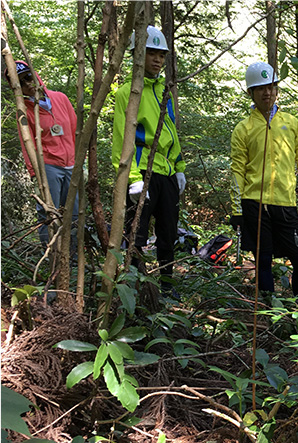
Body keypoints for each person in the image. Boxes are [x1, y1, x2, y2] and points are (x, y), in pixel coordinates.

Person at [112, 25, 186, 300]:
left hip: (166, 174)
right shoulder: (127, 93)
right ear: (137, 55)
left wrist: (179, 168)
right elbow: (122, 137)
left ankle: (167, 285)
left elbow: (171, 133)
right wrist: (131, 177)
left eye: (161, 55)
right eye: (151, 53)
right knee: (136, 235)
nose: (157, 59)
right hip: (143, 173)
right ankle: (134, 286)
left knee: (168, 233)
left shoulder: (164, 92)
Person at [229, 61, 298, 298]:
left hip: (286, 204)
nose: (267, 92)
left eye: (272, 86)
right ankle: (268, 313)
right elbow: (237, 170)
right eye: (261, 88)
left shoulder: (291, 122)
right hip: (254, 204)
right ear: (251, 93)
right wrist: (237, 209)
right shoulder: (243, 129)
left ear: (277, 89)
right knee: (263, 260)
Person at [6, 60, 79, 247]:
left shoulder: (60, 98)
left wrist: (81, 161)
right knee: (50, 213)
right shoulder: (24, 112)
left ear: (36, 75)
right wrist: (34, 174)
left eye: (29, 77)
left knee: (74, 211)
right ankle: (52, 258)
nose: (28, 84)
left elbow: (75, 129)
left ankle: (72, 259)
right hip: (49, 166)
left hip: (71, 163)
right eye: (21, 82)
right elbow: (27, 143)